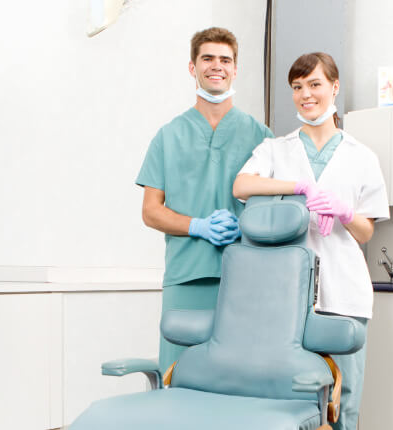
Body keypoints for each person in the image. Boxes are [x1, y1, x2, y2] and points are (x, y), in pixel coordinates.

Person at [232, 52, 389, 430]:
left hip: (344, 293)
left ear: (335, 87)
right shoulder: (276, 149)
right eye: (297, 87)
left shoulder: (362, 157)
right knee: (291, 397)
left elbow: (366, 230)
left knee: (343, 398)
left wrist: (345, 212)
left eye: (315, 84)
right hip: (285, 295)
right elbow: (241, 185)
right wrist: (299, 186)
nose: (306, 94)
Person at [136, 27, 274, 372]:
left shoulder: (261, 136)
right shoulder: (168, 136)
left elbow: (274, 209)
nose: (217, 66)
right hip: (186, 276)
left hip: (243, 276)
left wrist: (243, 227)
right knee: (178, 374)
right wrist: (198, 226)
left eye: (225, 60)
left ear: (235, 69)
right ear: (192, 67)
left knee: (238, 376)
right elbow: (151, 212)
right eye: (208, 58)